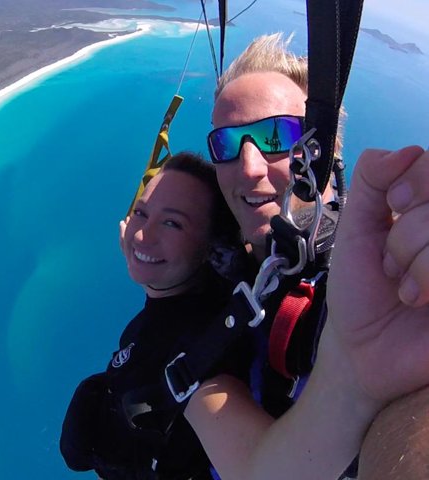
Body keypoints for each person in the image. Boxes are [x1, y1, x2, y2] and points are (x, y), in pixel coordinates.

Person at [175, 33, 429, 480]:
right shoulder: (218, 254)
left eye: (276, 135)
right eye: (225, 145)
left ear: (327, 154)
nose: (249, 166)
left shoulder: (376, 278)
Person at [60, 152, 248, 479]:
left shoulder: (204, 354)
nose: (142, 234)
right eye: (140, 213)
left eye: (172, 223)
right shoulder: (184, 292)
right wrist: (138, 252)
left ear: (210, 248)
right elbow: (146, 245)